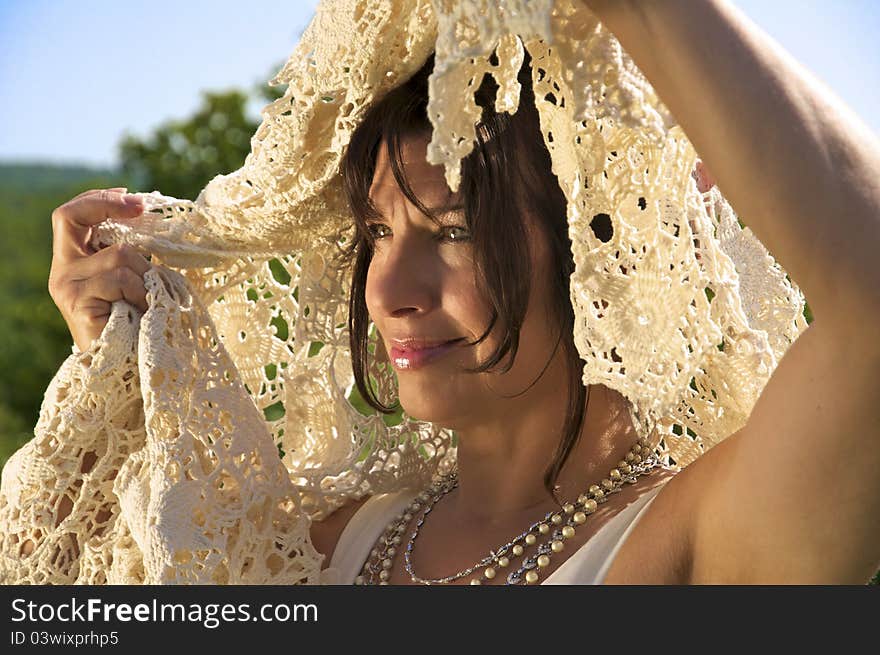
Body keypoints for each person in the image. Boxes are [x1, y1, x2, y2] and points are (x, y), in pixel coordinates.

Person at [4, 0, 879, 585]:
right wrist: (109, 358)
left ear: (601, 243)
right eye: (377, 232)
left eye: (454, 229)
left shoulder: (703, 534)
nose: (387, 288)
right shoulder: (325, 544)